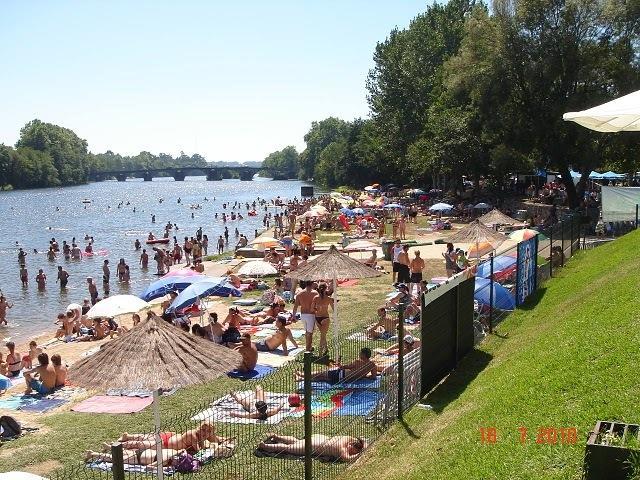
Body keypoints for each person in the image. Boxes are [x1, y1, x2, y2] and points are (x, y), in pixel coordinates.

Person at [117, 423, 227, 452]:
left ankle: (128, 436)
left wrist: (223, 440)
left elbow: (216, 439)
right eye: (203, 429)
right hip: (165, 444)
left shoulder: (202, 436)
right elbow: (198, 451)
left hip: (171, 437)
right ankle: (118, 447)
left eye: (208, 431)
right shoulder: (193, 435)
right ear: (199, 428)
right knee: (141, 444)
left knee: (146, 437)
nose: (205, 433)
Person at [257, 434, 365, 462]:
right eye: (353, 450)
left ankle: (277, 437)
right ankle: (265, 446)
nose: (351, 452)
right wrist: (361, 454)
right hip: (312, 445)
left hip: (318, 438)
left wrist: (363, 445)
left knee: (297, 441)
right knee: (288, 448)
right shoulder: (342, 448)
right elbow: (347, 459)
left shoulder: (348, 438)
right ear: (351, 445)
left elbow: (362, 440)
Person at [295, 347, 376, 384]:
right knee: (323, 378)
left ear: (363, 355)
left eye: (360, 353)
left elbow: (344, 367)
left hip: (342, 375)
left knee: (322, 373)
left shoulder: (358, 361)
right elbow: (373, 377)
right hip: (347, 381)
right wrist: (364, 376)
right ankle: (302, 379)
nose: (359, 354)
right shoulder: (372, 365)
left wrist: (340, 365)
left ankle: (302, 375)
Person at [292, 281, 318, 351]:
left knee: (307, 332)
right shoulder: (315, 293)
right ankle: (307, 349)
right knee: (309, 333)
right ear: (312, 284)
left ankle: (309, 347)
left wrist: (293, 316)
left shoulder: (299, 294)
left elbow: (295, 306)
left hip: (303, 315)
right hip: (311, 315)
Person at [311, 282, 334, 356]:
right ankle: (320, 354)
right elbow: (334, 309)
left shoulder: (315, 298)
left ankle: (326, 348)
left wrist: (317, 309)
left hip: (317, 318)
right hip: (325, 318)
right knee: (322, 336)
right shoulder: (329, 299)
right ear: (326, 289)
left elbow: (312, 309)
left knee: (323, 335)